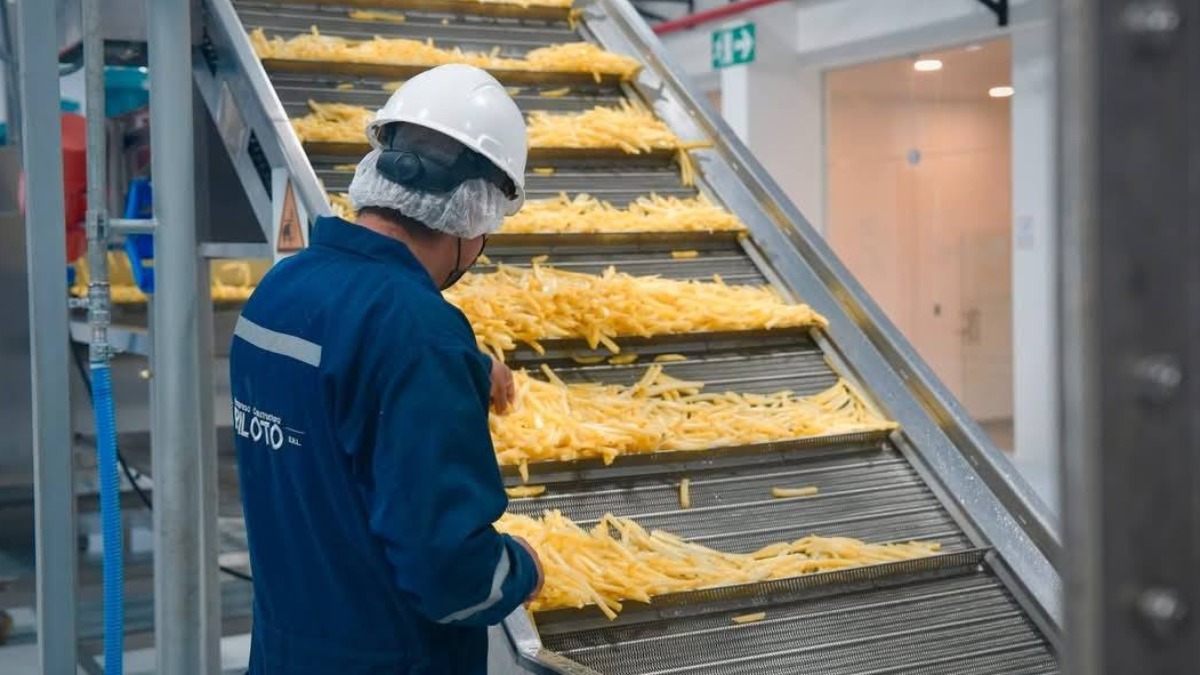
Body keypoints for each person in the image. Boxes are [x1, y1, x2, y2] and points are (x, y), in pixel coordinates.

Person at [229, 64, 543, 674]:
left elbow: (336, 391)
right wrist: (523, 567)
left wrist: (468, 368)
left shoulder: (279, 291)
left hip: (286, 653)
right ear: (475, 216)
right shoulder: (421, 333)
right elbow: (450, 574)